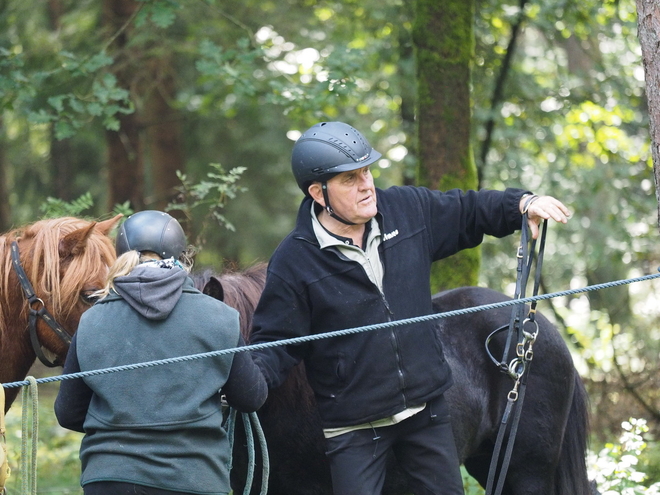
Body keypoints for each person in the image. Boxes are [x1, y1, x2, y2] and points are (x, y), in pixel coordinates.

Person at [249, 121, 570, 495]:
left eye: (366, 171)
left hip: (426, 413)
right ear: (319, 193)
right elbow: (275, 341)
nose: (367, 185)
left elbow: (467, 210)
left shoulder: (404, 209)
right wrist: (244, 381)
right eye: (350, 179)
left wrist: (520, 204)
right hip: (354, 428)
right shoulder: (294, 259)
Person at [54, 210, 267, 495]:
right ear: (182, 256)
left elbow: (68, 413)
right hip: (192, 479)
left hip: (109, 480)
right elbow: (252, 397)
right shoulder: (219, 317)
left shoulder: (92, 321)